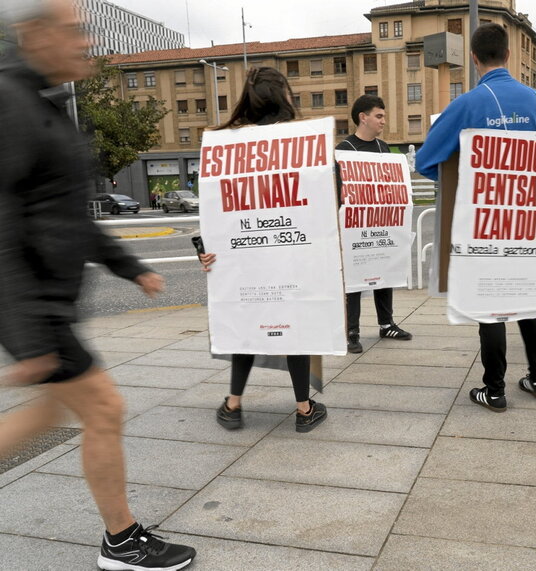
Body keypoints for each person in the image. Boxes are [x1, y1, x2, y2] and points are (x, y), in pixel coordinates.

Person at [0, 1, 197, 570]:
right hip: (36, 309)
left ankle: (120, 538)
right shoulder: (9, 104)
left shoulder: (43, 104)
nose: (86, 42)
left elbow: (69, 217)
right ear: (34, 34)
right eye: (74, 31)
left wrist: (129, 267)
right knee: (105, 409)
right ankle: (122, 539)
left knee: (49, 414)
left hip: (47, 306)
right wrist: (30, 336)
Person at [416, 23, 536, 412]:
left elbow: (426, 160)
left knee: (491, 303)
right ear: (510, 56)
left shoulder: (466, 104)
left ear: (474, 58)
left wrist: (463, 185)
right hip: (531, 222)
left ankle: (494, 390)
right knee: (530, 297)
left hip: (484, 221)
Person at [195, 66, 327, 433]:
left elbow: (213, 210)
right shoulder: (304, 144)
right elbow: (333, 197)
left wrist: (206, 251)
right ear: (284, 97)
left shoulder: (226, 146)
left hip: (243, 258)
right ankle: (304, 409)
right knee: (295, 326)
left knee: (245, 325)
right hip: (291, 255)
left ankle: (233, 404)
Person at [336, 94, 413, 353]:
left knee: (385, 270)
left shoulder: (383, 148)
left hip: (381, 222)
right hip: (354, 226)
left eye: (383, 116)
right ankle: (351, 331)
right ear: (363, 117)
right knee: (355, 279)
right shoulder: (344, 149)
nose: (383, 121)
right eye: (378, 116)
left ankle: (386, 323)